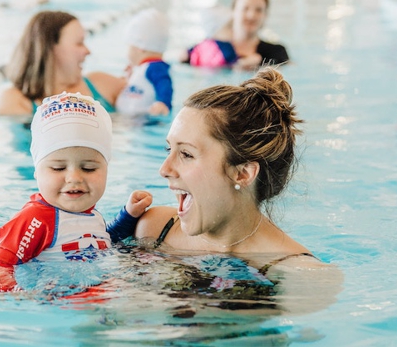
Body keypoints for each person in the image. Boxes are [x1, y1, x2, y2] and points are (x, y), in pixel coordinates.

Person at [133, 66, 341, 313]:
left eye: (186, 154)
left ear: (243, 173)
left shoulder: (302, 278)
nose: (164, 169)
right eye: (170, 150)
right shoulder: (155, 230)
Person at [0, 92, 153, 292]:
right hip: (61, 300)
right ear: (36, 172)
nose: (74, 178)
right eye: (58, 168)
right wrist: (16, 294)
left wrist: (129, 215)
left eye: (88, 168)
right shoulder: (36, 218)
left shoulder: (89, 214)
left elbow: (101, 241)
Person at [0, 11, 125, 117]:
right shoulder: (16, 101)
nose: (87, 51)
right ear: (50, 49)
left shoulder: (102, 84)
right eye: (79, 43)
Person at [183, 0, 289, 69]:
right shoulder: (211, 49)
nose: (251, 15)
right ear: (233, 11)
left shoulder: (276, 52)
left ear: (265, 15)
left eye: (259, 10)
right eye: (245, 8)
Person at [115, 8, 173, 117]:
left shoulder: (155, 67)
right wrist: (130, 78)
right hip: (134, 120)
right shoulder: (144, 68)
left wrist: (163, 102)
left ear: (140, 47)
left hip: (143, 121)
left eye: (129, 46)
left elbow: (164, 84)